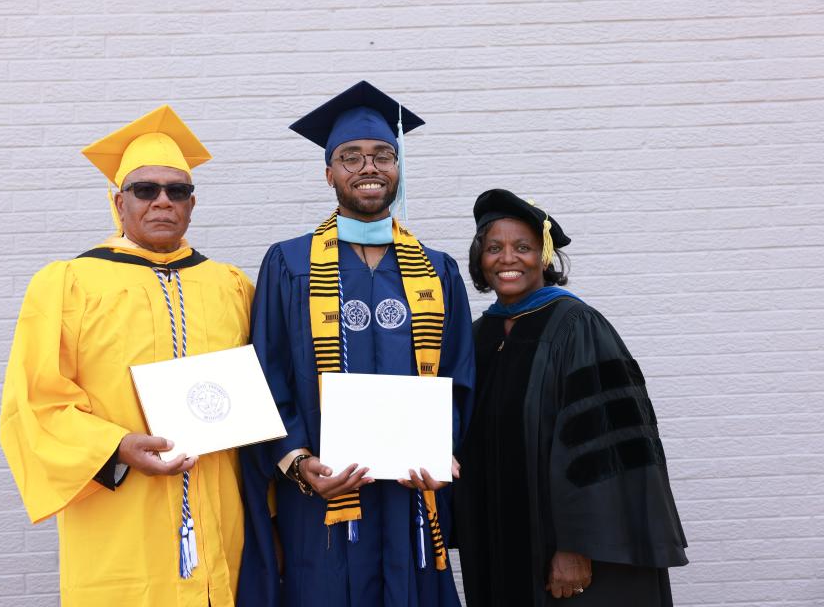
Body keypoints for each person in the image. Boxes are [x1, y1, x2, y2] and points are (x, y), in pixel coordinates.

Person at [0, 105, 254, 606]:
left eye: (176, 190)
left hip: (220, 506)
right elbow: (34, 403)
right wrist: (116, 446)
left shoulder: (230, 284)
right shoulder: (69, 284)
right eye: (145, 190)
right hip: (122, 515)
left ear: (192, 203)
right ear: (119, 202)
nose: (162, 201)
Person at [237, 81, 475, 607]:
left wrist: (442, 449)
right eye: (351, 157)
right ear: (329, 174)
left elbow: (458, 373)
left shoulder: (437, 270)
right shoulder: (289, 264)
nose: (369, 168)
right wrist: (298, 463)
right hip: (323, 496)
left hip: (410, 492)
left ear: (398, 168)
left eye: (382, 156)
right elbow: (267, 372)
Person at [454, 188, 688, 606]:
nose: (507, 258)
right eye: (494, 248)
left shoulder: (578, 327)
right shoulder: (477, 337)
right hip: (499, 545)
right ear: (480, 260)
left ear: (543, 257)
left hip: (568, 555)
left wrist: (577, 547)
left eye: (522, 247)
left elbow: (605, 451)